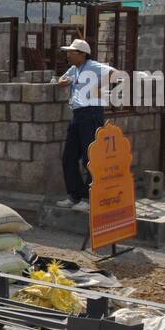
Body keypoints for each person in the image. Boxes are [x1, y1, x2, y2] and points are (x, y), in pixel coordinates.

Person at [54, 38, 113, 212]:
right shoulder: (75, 69)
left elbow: (114, 73)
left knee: (90, 158)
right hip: (78, 114)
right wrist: (66, 82)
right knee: (69, 157)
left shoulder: (93, 66)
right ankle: (75, 195)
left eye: (71, 53)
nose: (68, 56)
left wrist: (94, 86)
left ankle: (89, 199)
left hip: (91, 113)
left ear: (82, 54)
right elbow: (61, 80)